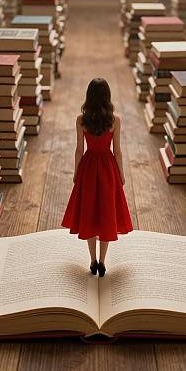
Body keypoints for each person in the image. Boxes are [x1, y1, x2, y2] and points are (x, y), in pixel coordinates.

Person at [62, 78, 133, 277]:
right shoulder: (114, 120)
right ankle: (102, 262)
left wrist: (76, 172)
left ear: (89, 97)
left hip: (88, 167)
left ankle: (92, 260)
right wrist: (121, 174)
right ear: (107, 97)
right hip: (108, 168)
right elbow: (117, 151)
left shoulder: (81, 120)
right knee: (106, 214)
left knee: (89, 214)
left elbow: (79, 150)